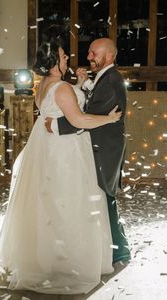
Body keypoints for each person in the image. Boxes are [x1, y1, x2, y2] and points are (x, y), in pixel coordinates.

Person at [0, 40, 120, 294]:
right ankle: (65, 260)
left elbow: (61, 103)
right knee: (67, 201)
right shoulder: (61, 87)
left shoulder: (43, 86)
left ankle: (46, 255)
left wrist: (80, 85)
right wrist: (109, 118)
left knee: (48, 201)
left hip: (49, 148)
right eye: (62, 56)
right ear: (53, 62)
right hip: (65, 152)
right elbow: (78, 118)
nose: (66, 59)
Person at [45, 38, 131, 264]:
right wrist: (84, 85)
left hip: (105, 148)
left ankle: (119, 250)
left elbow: (88, 116)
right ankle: (108, 246)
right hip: (97, 144)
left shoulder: (112, 80)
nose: (89, 57)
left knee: (106, 195)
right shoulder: (106, 78)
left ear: (109, 57)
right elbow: (95, 104)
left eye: (94, 53)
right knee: (101, 197)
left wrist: (56, 125)